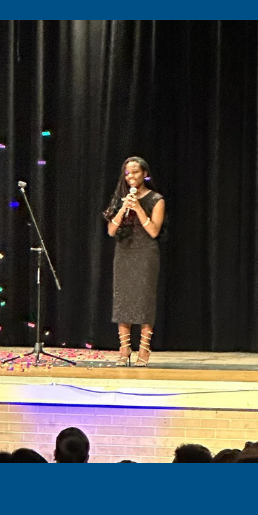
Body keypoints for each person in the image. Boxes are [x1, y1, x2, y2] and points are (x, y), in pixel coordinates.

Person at [103, 155, 165, 365]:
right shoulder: (119, 198)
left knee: (144, 301)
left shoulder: (156, 199)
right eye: (128, 172)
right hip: (124, 253)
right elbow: (111, 230)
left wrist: (138, 207)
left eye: (136, 172)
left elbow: (154, 231)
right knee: (123, 300)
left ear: (145, 174)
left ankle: (144, 349)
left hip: (146, 253)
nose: (131, 176)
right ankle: (124, 347)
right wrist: (123, 208)